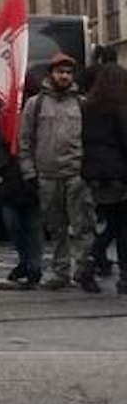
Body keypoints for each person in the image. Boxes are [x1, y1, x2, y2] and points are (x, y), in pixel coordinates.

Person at [20, 53, 95, 290]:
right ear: (51, 74)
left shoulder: (82, 104)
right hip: (47, 176)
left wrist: (88, 171)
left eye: (68, 72)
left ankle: (84, 270)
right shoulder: (35, 104)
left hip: (76, 174)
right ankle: (60, 272)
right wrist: (29, 172)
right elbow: (25, 141)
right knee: (56, 227)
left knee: (83, 225)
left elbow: (91, 140)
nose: (64, 76)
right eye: (59, 72)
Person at [0, 73, 44, 289]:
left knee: (33, 224)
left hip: (33, 175)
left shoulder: (38, 108)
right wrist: (2, 164)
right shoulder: (5, 111)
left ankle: (34, 266)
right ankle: (24, 260)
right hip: (11, 176)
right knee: (13, 224)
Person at [79, 62, 127, 295]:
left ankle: (90, 261)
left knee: (113, 224)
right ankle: (123, 277)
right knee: (121, 227)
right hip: (119, 173)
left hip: (96, 175)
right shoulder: (120, 106)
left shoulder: (88, 107)